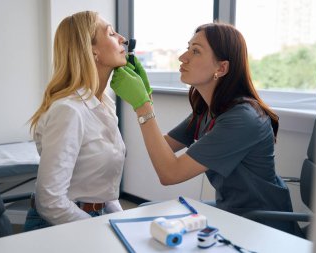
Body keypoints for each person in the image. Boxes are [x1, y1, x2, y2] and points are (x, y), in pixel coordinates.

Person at [110, 22, 295, 234]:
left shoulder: (242, 118)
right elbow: (165, 149)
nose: (183, 57)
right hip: (231, 211)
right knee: (145, 212)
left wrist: (142, 107)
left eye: (195, 51)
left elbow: (169, 174)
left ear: (221, 68)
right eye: (188, 48)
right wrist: (147, 99)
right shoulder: (208, 109)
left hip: (261, 226)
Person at [23, 11, 127, 231]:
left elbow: (102, 186)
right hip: (58, 225)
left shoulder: (105, 105)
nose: (122, 39)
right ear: (92, 50)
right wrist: (98, 229)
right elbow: (50, 201)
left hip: (91, 217)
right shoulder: (69, 111)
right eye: (111, 33)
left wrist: (122, 223)